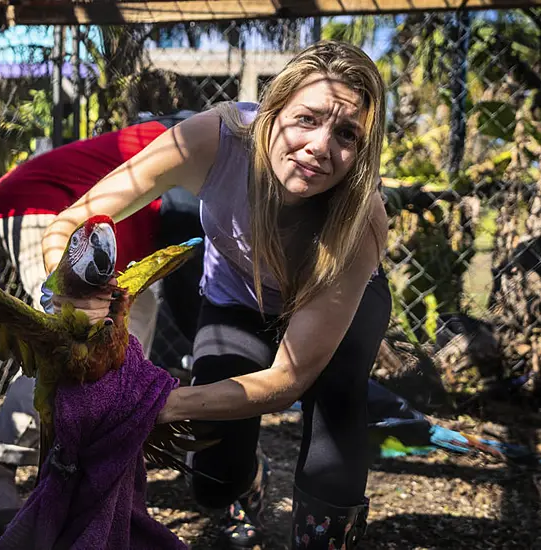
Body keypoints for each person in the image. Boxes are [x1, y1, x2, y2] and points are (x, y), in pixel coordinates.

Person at [39, 41, 392, 549]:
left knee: (334, 432)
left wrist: (150, 405)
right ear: (272, 112)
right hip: (238, 296)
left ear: (362, 150)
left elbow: (287, 380)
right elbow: (75, 219)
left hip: (339, 304)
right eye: (306, 119)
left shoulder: (363, 216)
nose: (319, 145)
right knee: (214, 473)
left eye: (346, 134)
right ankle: (246, 484)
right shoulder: (211, 140)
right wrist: (70, 287)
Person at [0, 110, 204, 542]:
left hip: (101, 241)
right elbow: (191, 255)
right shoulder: (202, 145)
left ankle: (93, 464)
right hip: (44, 207)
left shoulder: (195, 140)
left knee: (125, 340)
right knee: (72, 347)